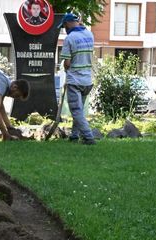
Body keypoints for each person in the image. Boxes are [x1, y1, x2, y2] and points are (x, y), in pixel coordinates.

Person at [58, 13, 95, 145]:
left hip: (75, 80)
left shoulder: (70, 38)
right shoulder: (90, 35)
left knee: (76, 111)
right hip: (87, 81)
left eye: (64, 26)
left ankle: (88, 137)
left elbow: (67, 63)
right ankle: (74, 136)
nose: (64, 29)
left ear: (67, 24)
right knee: (78, 111)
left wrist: (65, 68)